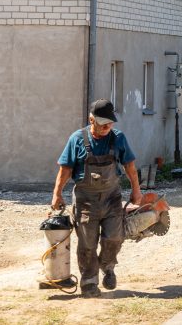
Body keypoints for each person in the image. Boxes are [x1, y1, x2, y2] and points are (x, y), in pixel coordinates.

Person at [52, 99, 141, 298]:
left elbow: (130, 167)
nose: (107, 127)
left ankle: (108, 267)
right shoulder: (77, 139)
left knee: (115, 238)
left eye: (110, 123)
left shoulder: (118, 138)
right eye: (102, 123)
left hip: (111, 198)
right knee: (87, 243)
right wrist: (57, 194)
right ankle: (89, 282)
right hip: (85, 201)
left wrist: (137, 191)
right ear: (90, 119)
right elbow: (65, 170)